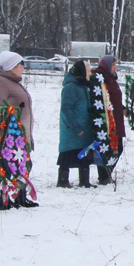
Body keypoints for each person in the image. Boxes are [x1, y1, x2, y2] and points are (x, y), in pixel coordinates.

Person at [0, 51, 38, 206]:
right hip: (9, 135)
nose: (22, 68)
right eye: (19, 65)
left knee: (22, 163)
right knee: (8, 164)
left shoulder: (14, 82)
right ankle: (4, 199)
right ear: (11, 67)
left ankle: (20, 197)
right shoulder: (1, 82)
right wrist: (9, 123)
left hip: (21, 133)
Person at [57, 60, 96, 188]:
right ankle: (62, 180)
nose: (91, 73)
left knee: (84, 153)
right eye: (89, 70)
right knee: (67, 154)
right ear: (82, 71)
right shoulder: (70, 87)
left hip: (84, 127)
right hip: (72, 128)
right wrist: (74, 126)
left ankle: (84, 181)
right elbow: (66, 109)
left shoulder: (83, 85)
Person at [92, 55, 126, 184]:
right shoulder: (100, 79)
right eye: (113, 65)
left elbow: (115, 99)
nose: (115, 67)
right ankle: (104, 175)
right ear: (106, 65)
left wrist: (123, 109)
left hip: (117, 118)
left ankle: (107, 173)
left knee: (118, 147)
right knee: (106, 147)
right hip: (106, 119)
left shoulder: (112, 79)